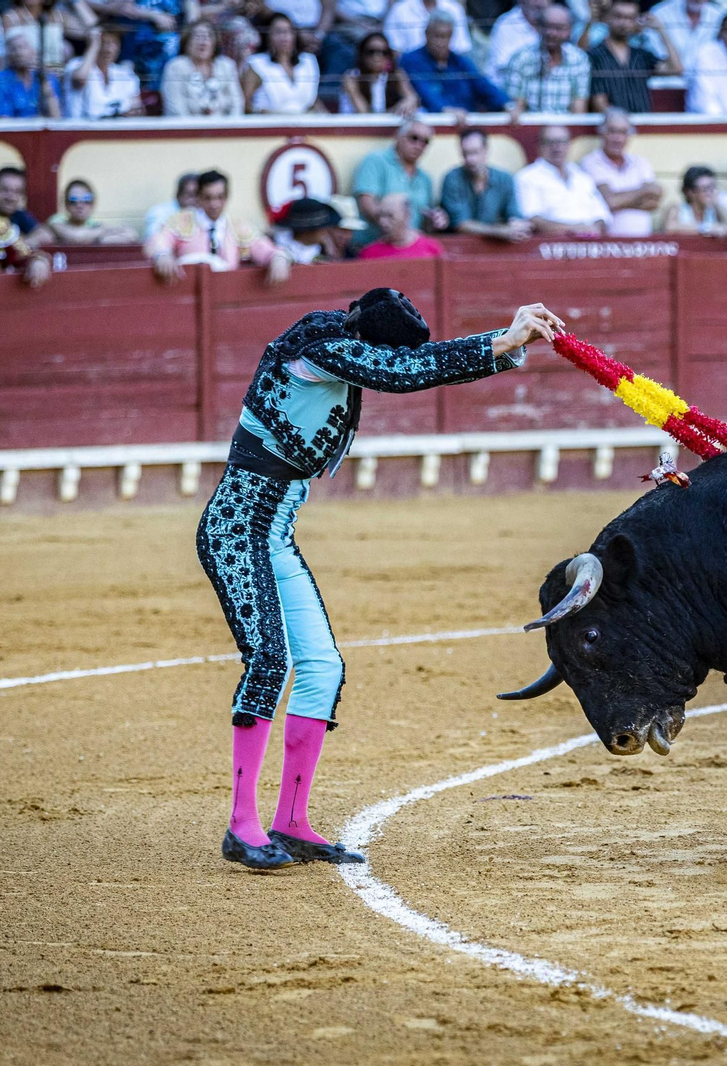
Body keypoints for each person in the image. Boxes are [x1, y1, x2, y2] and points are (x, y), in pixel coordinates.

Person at [200, 291, 564, 869]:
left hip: (273, 533)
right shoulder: (320, 350)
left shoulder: (332, 336)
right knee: (270, 662)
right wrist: (502, 340)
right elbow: (401, 371)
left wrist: (502, 342)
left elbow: (398, 364)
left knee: (323, 668)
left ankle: (292, 822)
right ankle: (242, 827)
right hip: (237, 530)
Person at [147, 169, 291, 283]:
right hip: (187, 291)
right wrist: (162, 255)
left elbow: (264, 249)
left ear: (227, 197)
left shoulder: (238, 227)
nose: (214, 204)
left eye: (219, 197)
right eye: (208, 197)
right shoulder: (180, 221)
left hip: (227, 294)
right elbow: (159, 240)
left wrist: (278, 258)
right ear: (198, 197)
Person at [351, 116, 445, 248]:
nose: (419, 145)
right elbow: (367, 205)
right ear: (398, 137)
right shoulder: (375, 161)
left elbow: (423, 222)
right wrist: (399, 232)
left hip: (409, 250)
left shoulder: (425, 178)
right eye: (414, 138)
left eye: (425, 142)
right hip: (372, 246)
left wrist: (435, 221)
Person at [398, 10, 507, 114]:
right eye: (437, 36)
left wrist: (507, 104)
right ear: (426, 34)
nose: (441, 42)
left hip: (466, 123)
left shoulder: (460, 62)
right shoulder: (411, 60)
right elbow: (424, 92)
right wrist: (445, 110)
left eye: (446, 36)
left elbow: (483, 85)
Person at [577, 107, 659, 236]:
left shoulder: (640, 162)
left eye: (623, 132)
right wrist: (643, 191)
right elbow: (609, 201)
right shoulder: (591, 162)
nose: (618, 138)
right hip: (608, 247)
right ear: (602, 133)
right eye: (612, 131)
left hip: (643, 245)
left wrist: (619, 200)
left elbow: (654, 202)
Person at [515, 124, 610, 235]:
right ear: (540, 146)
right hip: (550, 246)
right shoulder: (526, 177)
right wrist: (575, 229)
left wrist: (593, 229)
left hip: (589, 245)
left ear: (569, 145)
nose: (556, 147)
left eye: (562, 142)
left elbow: (602, 215)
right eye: (550, 142)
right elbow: (532, 220)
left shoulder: (582, 176)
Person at [587, 0, 678, 114]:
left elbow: (676, 68)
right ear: (608, 18)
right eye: (618, 16)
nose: (624, 23)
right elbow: (599, 103)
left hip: (643, 125)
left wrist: (661, 31)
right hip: (614, 127)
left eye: (630, 18)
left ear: (636, 21)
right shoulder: (595, 55)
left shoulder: (641, 55)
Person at [440, 127, 530, 242]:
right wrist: (501, 231)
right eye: (465, 154)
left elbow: (514, 215)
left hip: (495, 248)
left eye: (474, 152)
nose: (469, 159)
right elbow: (461, 225)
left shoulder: (505, 179)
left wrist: (517, 225)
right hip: (461, 247)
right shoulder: (453, 178)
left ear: (486, 150)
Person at [504, 3, 589, 114]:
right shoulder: (521, 59)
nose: (551, 33)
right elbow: (516, 108)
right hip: (531, 126)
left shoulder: (579, 59)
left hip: (566, 128)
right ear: (538, 27)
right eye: (547, 26)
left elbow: (579, 109)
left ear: (569, 31)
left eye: (558, 28)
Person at [242, 13, 321, 114]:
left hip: (303, 124)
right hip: (268, 125)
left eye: (288, 31)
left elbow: (313, 101)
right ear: (268, 36)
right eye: (278, 32)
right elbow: (245, 104)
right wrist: (262, 113)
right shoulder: (256, 64)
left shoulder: (308, 61)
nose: (284, 37)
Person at [162, 20, 243, 115]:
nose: (203, 42)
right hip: (186, 127)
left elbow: (237, 103)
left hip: (223, 127)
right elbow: (175, 108)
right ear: (187, 42)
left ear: (215, 43)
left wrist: (231, 128)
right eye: (197, 37)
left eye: (208, 37)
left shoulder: (226, 65)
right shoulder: (176, 67)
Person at [66, 25, 144, 118]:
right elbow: (79, 79)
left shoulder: (125, 73)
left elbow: (137, 107)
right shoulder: (77, 65)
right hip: (82, 129)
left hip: (117, 129)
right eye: (103, 43)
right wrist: (94, 44)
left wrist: (134, 112)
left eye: (113, 44)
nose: (107, 50)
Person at [1, 0, 97, 73]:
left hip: (56, 80)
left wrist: (76, 2)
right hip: (25, 80)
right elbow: (13, 59)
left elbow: (94, 29)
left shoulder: (57, 16)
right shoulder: (11, 18)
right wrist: (56, 67)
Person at [0, 30, 62, 117]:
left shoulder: (48, 78)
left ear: (34, 51)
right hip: (15, 129)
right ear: (8, 55)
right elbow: (3, 119)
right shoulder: (2, 79)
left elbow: (56, 118)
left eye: (23, 47)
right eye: (13, 49)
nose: (19, 53)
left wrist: (48, 93)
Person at [340, 30, 416, 113]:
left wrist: (407, 103)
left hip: (383, 123)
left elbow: (412, 98)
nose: (377, 57)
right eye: (371, 52)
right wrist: (394, 112)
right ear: (362, 54)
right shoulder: (352, 77)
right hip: (354, 124)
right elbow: (363, 112)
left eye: (384, 52)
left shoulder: (395, 75)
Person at [43, 179, 139, 243]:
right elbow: (75, 237)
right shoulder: (56, 221)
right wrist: (104, 232)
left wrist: (98, 237)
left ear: (93, 203)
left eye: (86, 199)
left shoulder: (95, 225)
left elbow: (131, 235)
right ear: (65, 204)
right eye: (73, 200)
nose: (80, 205)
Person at [357, 190, 444, 259]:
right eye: (381, 216)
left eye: (390, 216)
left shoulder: (430, 248)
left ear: (407, 215)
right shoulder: (369, 253)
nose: (382, 222)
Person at [661, 164, 727, 235]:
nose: (710, 192)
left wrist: (717, 202)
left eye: (712, 187)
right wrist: (706, 228)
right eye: (705, 189)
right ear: (690, 192)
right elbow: (670, 227)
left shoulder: (715, 210)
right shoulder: (677, 208)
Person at [641, 0, 717, 70]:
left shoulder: (718, 15)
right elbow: (655, 55)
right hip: (667, 79)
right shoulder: (659, 12)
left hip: (706, 79)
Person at [271, 195, 349, 262]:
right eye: (322, 228)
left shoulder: (320, 250)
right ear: (307, 232)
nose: (325, 232)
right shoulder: (279, 248)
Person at [486, 0, 545, 83]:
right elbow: (506, 66)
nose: (539, 3)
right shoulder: (505, 23)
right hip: (507, 87)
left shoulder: (557, 24)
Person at [382, 0, 469, 56]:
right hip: (411, 72)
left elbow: (461, 49)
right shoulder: (399, 10)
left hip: (448, 73)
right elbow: (393, 50)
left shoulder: (455, 10)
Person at [0, 166, 42, 242]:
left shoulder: (20, 216)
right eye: (5, 190)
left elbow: (45, 234)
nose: (10, 198)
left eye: (17, 192)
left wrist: (20, 245)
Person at [146, 171, 198, 240]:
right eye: (191, 195)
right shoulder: (159, 212)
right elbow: (153, 236)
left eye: (199, 195)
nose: (196, 199)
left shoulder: (203, 213)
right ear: (178, 195)